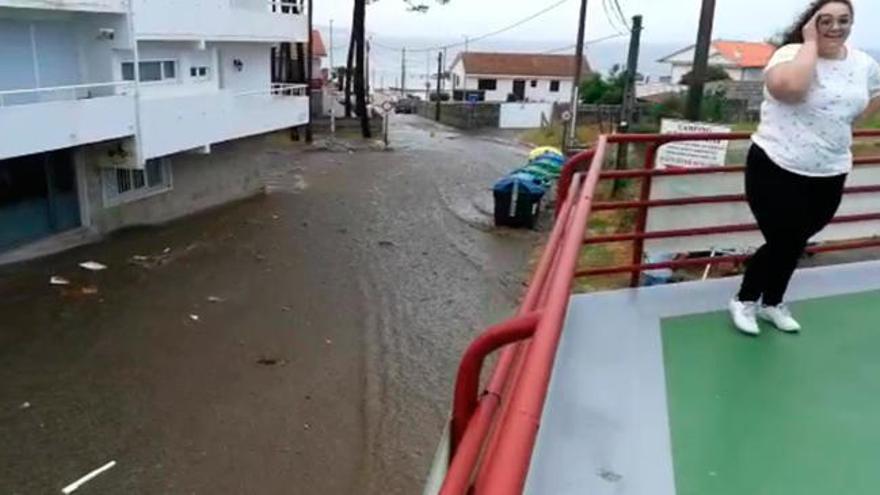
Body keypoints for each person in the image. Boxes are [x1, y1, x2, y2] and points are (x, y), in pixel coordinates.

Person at [729, 0, 880, 335]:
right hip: (776, 164)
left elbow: (872, 96)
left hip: (831, 168)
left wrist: (844, 122)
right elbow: (792, 90)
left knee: (796, 241)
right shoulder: (790, 54)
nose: (835, 27)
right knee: (785, 238)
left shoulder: (863, 63)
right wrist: (810, 44)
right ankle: (745, 299)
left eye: (844, 20)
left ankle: (772, 303)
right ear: (810, 23)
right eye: (825, 20)